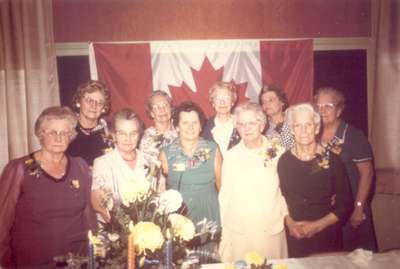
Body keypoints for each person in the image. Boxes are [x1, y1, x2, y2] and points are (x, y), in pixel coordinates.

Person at [0, 106, 96, 268]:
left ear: (71, 136)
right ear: (40, 135)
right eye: (52, 132)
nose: (58, 138)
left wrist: (93, 256)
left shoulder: (80, 166)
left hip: (76, 261)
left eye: (64, 133)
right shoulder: (19, 169)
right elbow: (2, 221)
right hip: (32, 262)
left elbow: (88, 215)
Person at [277, 103, 353, 257]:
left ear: (317, 128)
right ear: (292, 130)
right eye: (298, 126)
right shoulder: (284, 161)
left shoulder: (332, 160)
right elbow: (279, 198)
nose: (303, 131)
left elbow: (345, 204)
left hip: (326, 234)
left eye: (308, 125)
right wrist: (290, 223)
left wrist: (316, 226)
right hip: (294, 235)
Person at [219, 102, 288, 262]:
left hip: (269, 230)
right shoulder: (231, 156)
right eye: (241, 124)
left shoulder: (278, 151)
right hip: (240, 232)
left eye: (251, 123)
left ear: (262, 125)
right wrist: (225, 231)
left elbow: (287, 191)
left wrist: (285, 217)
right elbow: (225, 196)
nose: (246, 128)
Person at [314, 87, 377, 252]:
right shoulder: (314, 136)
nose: (322, 111)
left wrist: (358, 207)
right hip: (328, 212)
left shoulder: (354, 136)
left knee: (358, 258)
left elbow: (367, 174)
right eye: (318, 106)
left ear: (339, 109)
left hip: (352, 208)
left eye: (328, 105)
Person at [159, 101, 222, 252]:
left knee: (209, 259)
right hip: (180, 215)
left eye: (195, 122)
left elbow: (222, 186)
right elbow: (161, 190)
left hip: (209, 212)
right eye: (185, 122)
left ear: (201, 126)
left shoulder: (213, 149)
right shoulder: (166, 153)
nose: (190, 127)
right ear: (177, 127)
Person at [91, 108, 148, 222]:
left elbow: (159, 202)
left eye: (133, 133)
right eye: (122, 133)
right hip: (114, 232)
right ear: (113, 135)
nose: (128, 139)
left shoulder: (150, 162)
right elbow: (98, 204)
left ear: (139, 135)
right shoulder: (102, 163)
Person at [67, 80, 113, 166]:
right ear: (78, 102)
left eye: (99, 102)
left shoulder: (111, 132)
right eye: (89, 100)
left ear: (103, 108)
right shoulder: (65, 129)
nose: (94, 105)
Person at [139, 91, 178, 191]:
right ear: (151, 113)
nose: (162, 110)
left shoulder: (182, 133)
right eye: (156, 107)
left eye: (165, 105)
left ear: (171, 109)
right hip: (154, 191)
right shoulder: (143, 138)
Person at [201, 82, 240, 157]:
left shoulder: (242, 123)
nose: (222, 102)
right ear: (213, 102)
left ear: (232, 102)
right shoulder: (203, 126)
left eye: (226, 98)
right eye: (218, 98)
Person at [259, 85, 294, 150]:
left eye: (271, 100)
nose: (267, 104)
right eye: (263, 102)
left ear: (282, 102)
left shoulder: (294, 122)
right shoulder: (261, 127)